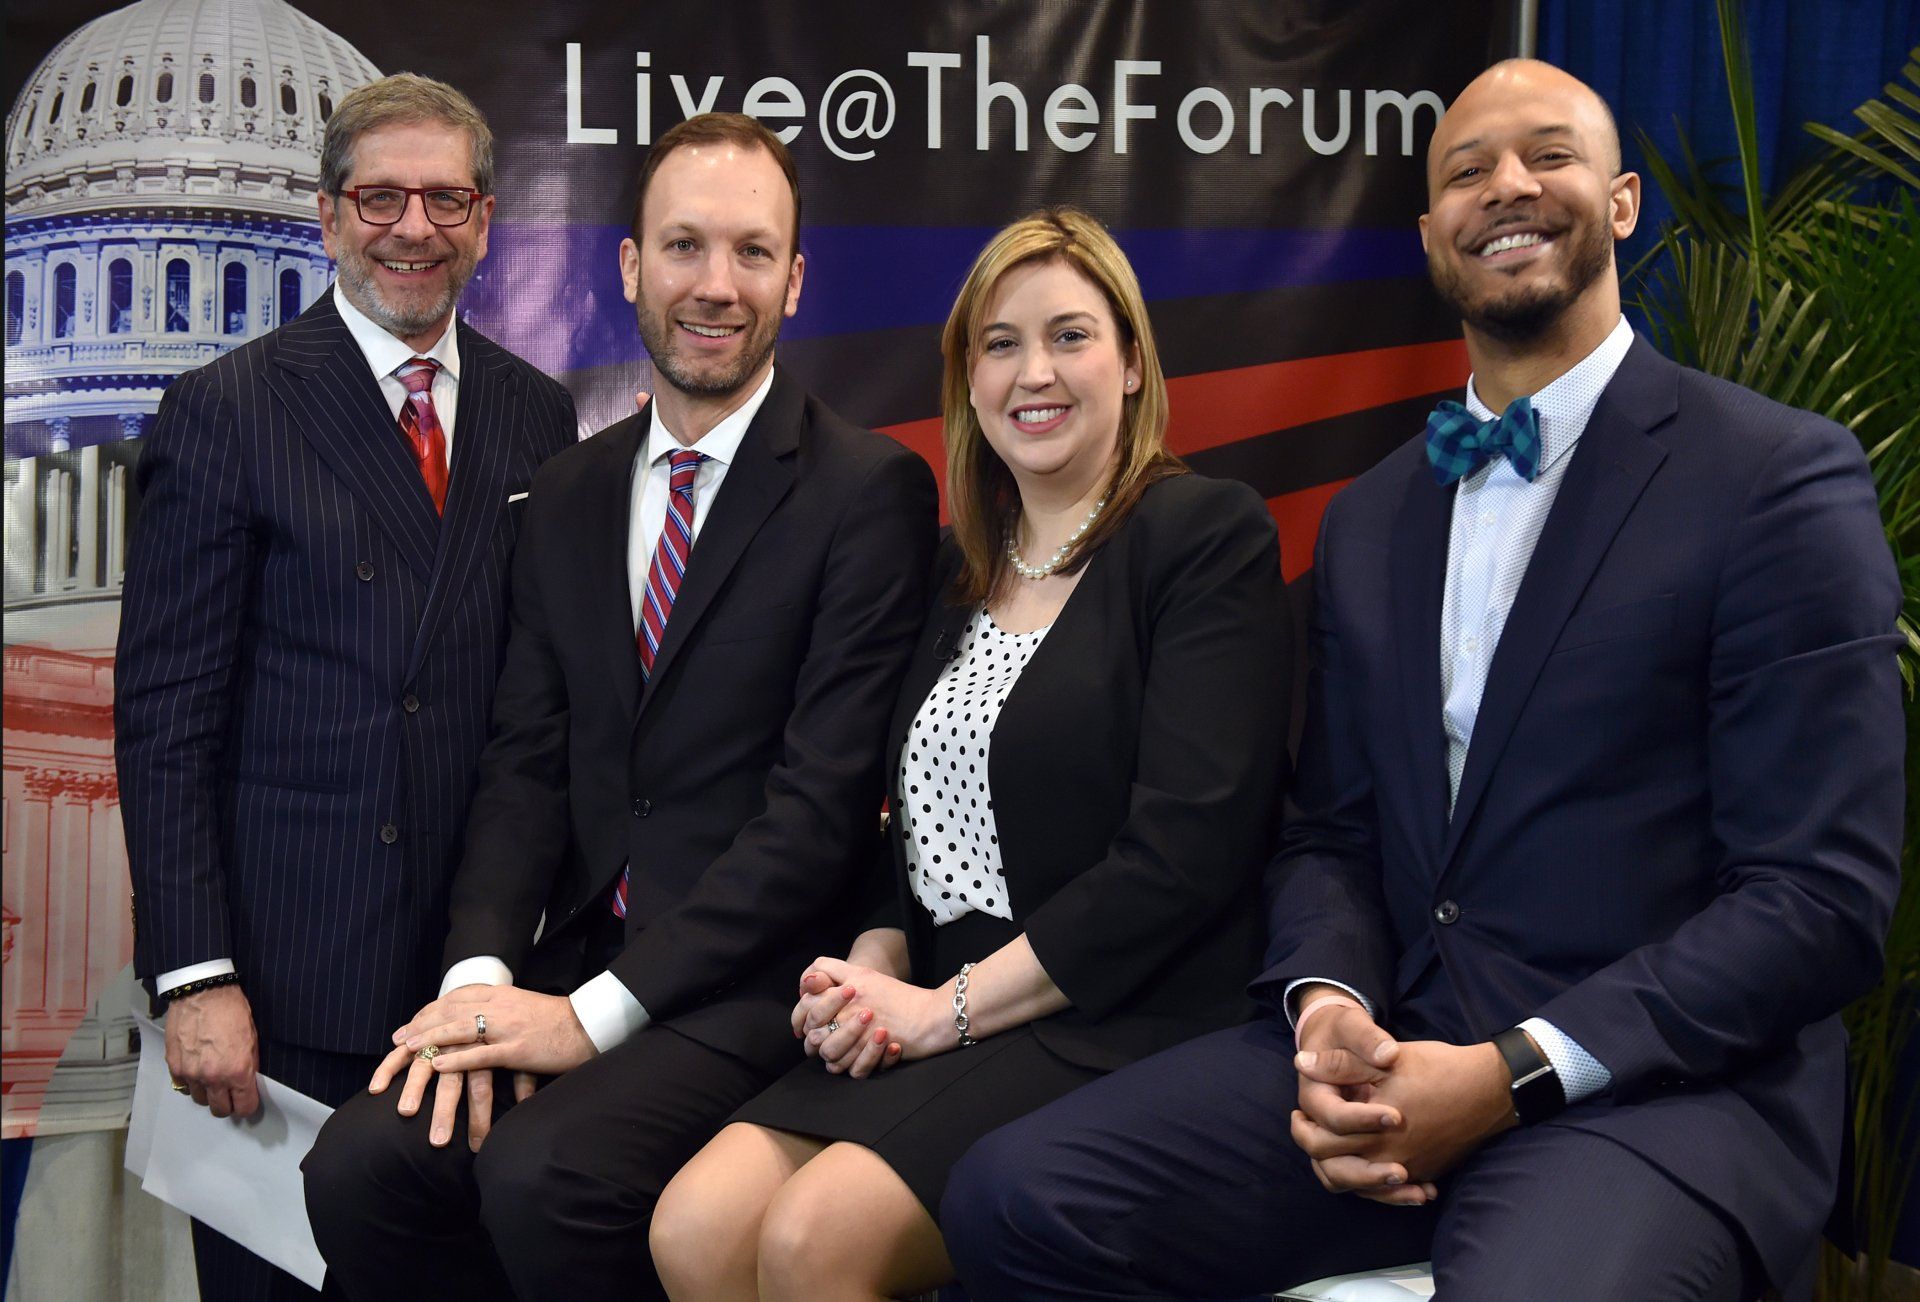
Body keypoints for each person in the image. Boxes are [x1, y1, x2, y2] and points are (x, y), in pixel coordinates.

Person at [939, 59, 1905, 1302]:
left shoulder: (1777, 478)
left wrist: (1512, 1071)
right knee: (1014, 1200)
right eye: (1465, 170)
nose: (1507, 185)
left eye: (1548, 156)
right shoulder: (1373, 517)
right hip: (1394, 1054)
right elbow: (1332, 834)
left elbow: (1818, 899)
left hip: (1654, 1098)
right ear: (1429, 234)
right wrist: (1329, 1006)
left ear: (1619, 202)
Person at [301, 112, 939, 1301]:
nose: (717, 285)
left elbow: (817, 818)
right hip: (578, 958)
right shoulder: (568, 489)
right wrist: (479, 989)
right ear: (630, 268)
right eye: (685, 247)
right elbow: (524, 769)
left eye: (753, 253)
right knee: (362, 1166)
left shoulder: (870, 492)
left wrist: (582, 1023)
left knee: (550, 1175)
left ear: (795, 281)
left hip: (756, 985)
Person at [645, 206, 1294, 1300]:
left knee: (814, 1240)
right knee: (694, 1226)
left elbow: (1184, 858)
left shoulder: (1205, 538)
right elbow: (899, 841)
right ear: (968, 379)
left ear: (1132, 363)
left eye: (1070, 335)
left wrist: (941, 1012)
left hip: (1118, 1012)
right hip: (945, 1006)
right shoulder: (953, 573)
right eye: (1000, 343)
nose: (1033, 372)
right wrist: (873, 972)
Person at [113, 73, 577, 1302]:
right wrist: (195, 975)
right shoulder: (226, 410)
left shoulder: (542, 417)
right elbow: (165, 723)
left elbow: (549, 708)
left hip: (473, 989)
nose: (413, 228)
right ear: (328, 216)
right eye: (381, 197)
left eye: (446, 199)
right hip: (284, 994)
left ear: (484, 220)